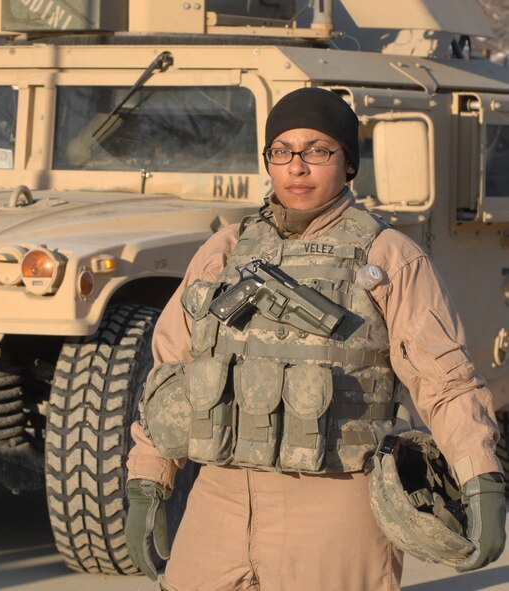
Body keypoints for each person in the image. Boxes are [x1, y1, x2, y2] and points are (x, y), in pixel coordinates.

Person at [125, 87, 506, 591]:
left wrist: (481, 479)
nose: (296, 167)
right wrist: (148, 479)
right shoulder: (226, 250)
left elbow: (446, 382)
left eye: (317, 150)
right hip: (221, 496)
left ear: (348, 163)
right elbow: (170, 374)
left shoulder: (388, 257)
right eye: (281, 151)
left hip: (336, 503)